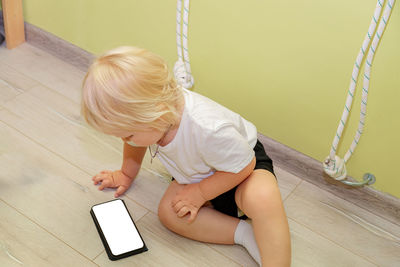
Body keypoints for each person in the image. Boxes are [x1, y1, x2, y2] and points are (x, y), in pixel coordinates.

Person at [81, 46, 291, 266]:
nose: (125, 141)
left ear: (157, 113)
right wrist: (126, 173)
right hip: (196, 174)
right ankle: (244, 234)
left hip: (241, 168)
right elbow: (136, 142)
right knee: (168, 213)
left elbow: (244, 165)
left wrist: (200, 193)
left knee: (262, 197)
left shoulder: (207, 127)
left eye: (128, 135)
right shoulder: (154, 121)